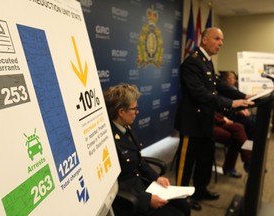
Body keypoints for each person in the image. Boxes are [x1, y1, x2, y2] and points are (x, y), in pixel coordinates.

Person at [174, 27, 254, 211]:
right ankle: (180, 198)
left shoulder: (207, 62)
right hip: (192, 124)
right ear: (204, 40)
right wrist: (231, 104)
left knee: (205, 159)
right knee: (185, 164)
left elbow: (219, 85)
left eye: (222, 39)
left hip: (205, 122)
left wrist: (244, 96)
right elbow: (199, 93)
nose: (221, 43)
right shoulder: (192, 62)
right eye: (217, 39)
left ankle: (200, 190)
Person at [104, 83, 191, 216]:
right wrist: (146, 200)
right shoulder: (107, 140)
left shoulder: (125, 127)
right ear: (121, 112)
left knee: (183, 205)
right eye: (134, 109)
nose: (137, 112)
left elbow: (139, 160)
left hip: (142, 184)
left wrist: (156, 178)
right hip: (130, 199)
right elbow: (111, 185)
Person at [219, 70, 256, 140]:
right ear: (225, 79)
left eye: (233, 78)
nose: (231, 79)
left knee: (256, 119)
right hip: (230, 115)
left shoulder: (235, 90)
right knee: (252, 123)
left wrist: (244, 109)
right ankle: (248, 145)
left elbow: (241, 102)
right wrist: (238, 111)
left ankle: (253, 145)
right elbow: (225, 104)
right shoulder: (223, 90)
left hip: (238, 113)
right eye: (229, 78)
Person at [213, 112, 251, 178]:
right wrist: (222, 119)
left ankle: (249, 158)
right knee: (238, 133)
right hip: (208, 121)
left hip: (219, 115)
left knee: (244, 128)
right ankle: (249, 159)